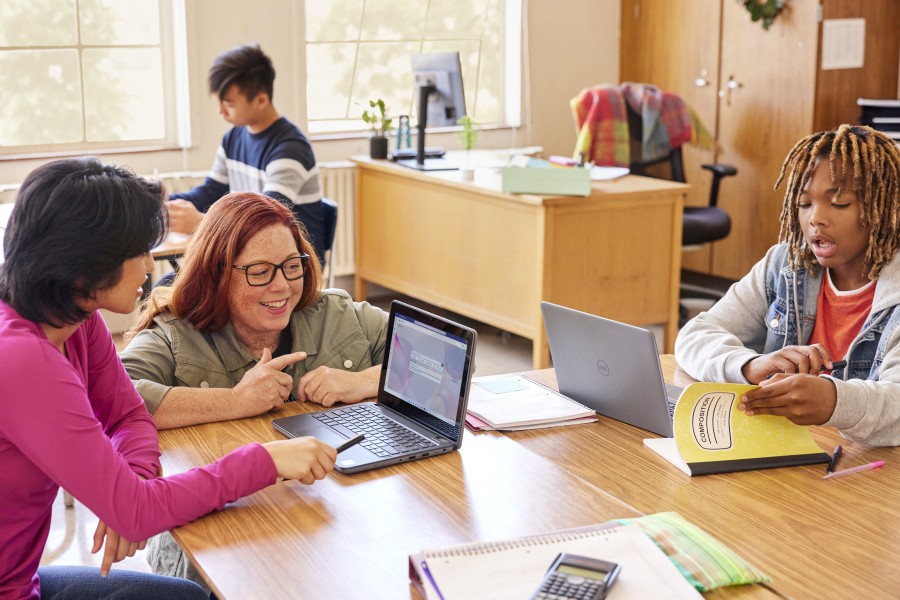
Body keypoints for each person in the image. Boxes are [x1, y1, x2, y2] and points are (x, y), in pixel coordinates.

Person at [0, 157, 338, 599]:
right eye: (137, 251)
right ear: (83, 264)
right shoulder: (22, 360)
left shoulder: (76, 323)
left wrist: (130, 494)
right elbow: (138, 512)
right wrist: (267, 461)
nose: (149, 264)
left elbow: (129, 415)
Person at [119, 191, 387, 587]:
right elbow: (115, 396)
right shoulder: (176, 332)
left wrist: (363, 381)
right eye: (260, 271)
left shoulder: (337, 312)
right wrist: (235, 401)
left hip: (333, 521)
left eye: (292, 266)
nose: (281, 287)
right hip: (216, 546)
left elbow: (439, 364)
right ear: (217, 273)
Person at [675, 124, 900, 446]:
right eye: (804, 204)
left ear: (886, 207)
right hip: (782, 451)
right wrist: (750, 365)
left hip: (869, 474)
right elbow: (695, 335)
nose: (815, 219)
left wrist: (834, 401)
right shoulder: (787, 262)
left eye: (838, 203)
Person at [167, 43, 328, 262]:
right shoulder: (233, 138)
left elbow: (265, 222)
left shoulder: (290, 149)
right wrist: (166, 203)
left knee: (178, 290)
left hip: (290, 265)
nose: (221, 111)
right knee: (168, 288)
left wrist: (199, 222)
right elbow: (210, 192)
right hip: (251, 257)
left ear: (261, 100)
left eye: (229, 104)